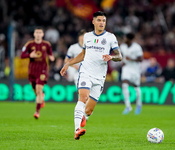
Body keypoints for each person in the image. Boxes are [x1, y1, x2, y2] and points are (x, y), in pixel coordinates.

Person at [60, 11, 122, 140]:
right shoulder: (87, 36)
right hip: (85, 72)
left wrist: (111, 57)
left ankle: (83, 117)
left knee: (88, 111)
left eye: (103, 21)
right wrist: (68, 64)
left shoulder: (110, 37)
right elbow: (83, 54)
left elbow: (119, 56)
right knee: (82, 98)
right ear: (93, 22)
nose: (101, 23)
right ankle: (77, 130)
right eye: (99, 20)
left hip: (99, 77)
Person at [21, 27, 55, 119]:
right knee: (36, 91)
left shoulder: (47, 44)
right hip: (32, 70)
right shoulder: (29, 44)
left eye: (40, 32)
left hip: (42, 70)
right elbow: (22, 55)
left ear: (43, 34)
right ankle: (41, 98)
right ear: (34, 34)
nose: (38, 34)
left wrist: (52, 57)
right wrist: (29, 55)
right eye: (37, 32)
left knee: (39, 90)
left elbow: (51, 54)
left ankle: (37, 112)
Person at [120, 33, 143, 115]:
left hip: (135, 69)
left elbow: (141, 59)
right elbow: (122, 55)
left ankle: (139, 105)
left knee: (136, 87)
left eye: (125, 38)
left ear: (129, 39)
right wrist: (123, 61)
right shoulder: (122, 46)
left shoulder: (137, 47)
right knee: (124, 84)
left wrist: (131, 59)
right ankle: (128, 106)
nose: (124, 39)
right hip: (126, 68)